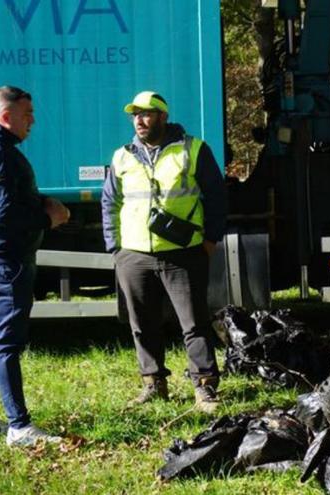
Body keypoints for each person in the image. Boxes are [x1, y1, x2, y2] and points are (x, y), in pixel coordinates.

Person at [101, 91, 226, 413]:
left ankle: (205, 386)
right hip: (134, 255)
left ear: (162, 117)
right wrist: (115, 247)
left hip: (183, 252)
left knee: (194, 322)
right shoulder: (122, 156)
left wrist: (210, 240)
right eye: (135, 115)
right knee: (142, 323)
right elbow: (110, 202)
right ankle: (153, 383)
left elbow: (216, 197)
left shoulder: (192, 149)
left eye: (146, 114)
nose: (139, 121)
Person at [0, 86, 71, 446]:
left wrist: (42, 200)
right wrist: (47, 217)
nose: (33, 121)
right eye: (28, 114)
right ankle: (19, 427)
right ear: (6, 117)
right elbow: (5, 213)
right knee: (6, 342)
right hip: (3, 260)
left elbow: (7, 198)